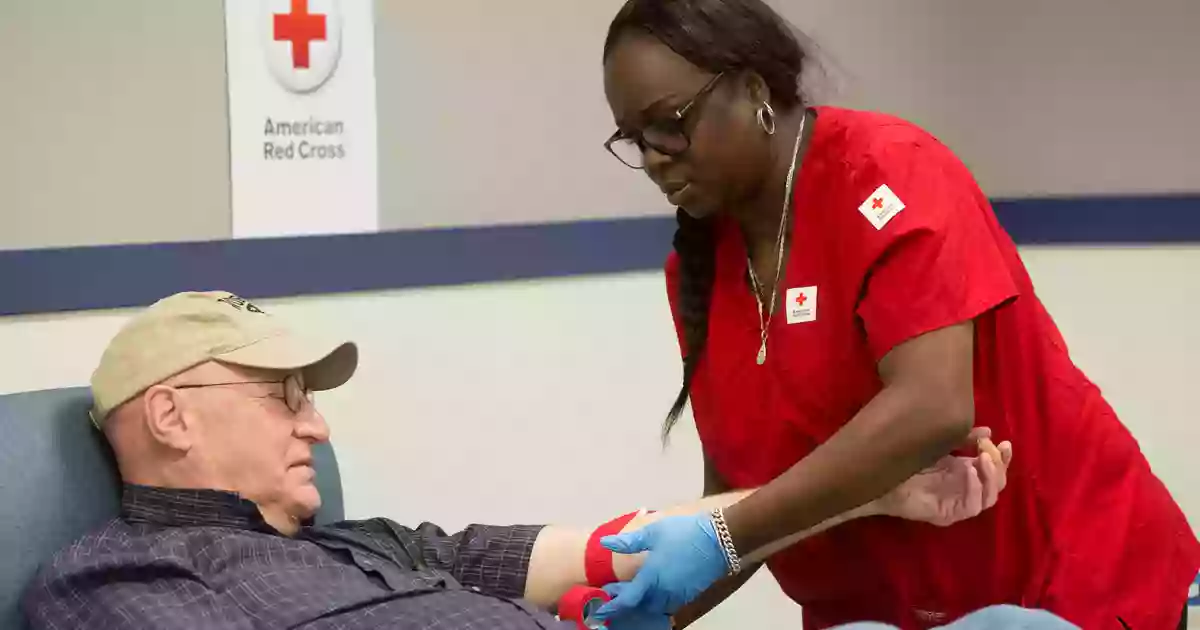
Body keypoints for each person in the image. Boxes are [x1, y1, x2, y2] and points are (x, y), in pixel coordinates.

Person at [592, 1, 1200, 629]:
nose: (655, 158)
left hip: (1062, 584)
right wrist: (647, 611)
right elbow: (744, 495)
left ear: (752, 92)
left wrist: (725, 533)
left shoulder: (887, 173)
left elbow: (932, 407)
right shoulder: (699, 270)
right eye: (633, 139)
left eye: (668, 124)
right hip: (880, 610)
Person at [22, 290, 1012, 630]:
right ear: (170, 418)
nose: (316, 429)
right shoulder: (121, 575)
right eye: (283, 398)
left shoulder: (376, 544)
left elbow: (632, 547)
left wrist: (869, 495)